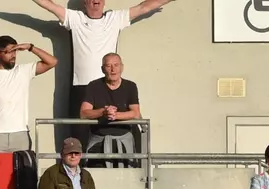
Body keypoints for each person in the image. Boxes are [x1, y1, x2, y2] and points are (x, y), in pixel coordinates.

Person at [29, 0, 179, 112]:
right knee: (79, 139)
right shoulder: (74, 18)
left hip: (108, 87)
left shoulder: (115, 18)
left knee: (109, 133)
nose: (96, 0)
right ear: (84, 2)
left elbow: (143, 7)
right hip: (81, 87)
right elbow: (47, 5)